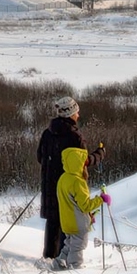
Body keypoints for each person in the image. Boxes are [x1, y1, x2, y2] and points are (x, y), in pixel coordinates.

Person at [36, 96, 105, 259]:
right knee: (68, 222)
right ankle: (64, 261)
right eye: (76, 112)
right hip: (69, 185)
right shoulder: (74, 136)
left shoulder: (47, 133)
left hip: (49, 185)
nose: (78, 115)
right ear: (71, 113)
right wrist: (99, 154)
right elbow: (83, 162)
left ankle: (49, 259)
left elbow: (40, 157)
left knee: (53, 222)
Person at [55, 146, 110, 270]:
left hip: (67, 222)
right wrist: (101, 199)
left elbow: (72, 203)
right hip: (78, 224)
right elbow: (85, 205)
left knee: (69, 244)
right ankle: (75, 268)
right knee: (78, 246)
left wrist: (89, 216)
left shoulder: (63, 179)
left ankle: (59, 263)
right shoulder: (78, 182)